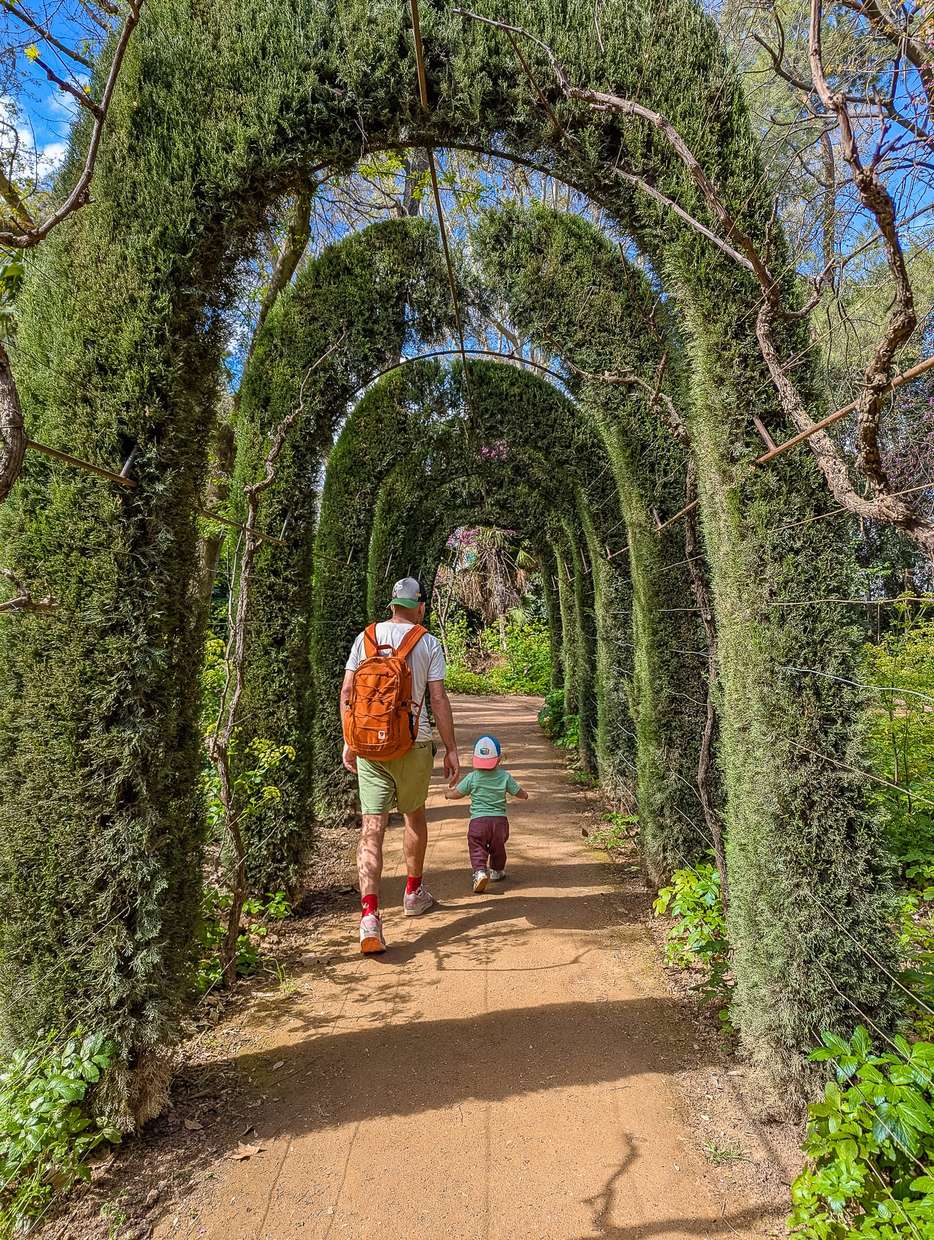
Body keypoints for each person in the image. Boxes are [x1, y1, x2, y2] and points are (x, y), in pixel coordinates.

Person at [341, 577, 460, 953]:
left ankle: (369, 917)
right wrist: (452, 748)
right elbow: (438, 699)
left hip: (369, 746)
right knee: (414, 817)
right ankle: (412, 892)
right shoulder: (428, 642)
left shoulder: (366, 638)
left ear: (392, 604)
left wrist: (350, 739)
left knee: (371, 829)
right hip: (414, 743)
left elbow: (347, 693)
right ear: (420, 606)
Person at [445, 734, 528, 893]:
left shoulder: (472, 777)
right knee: (498, 848)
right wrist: (524, 795)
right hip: (499, 823)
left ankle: (480, 871)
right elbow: (517, 791)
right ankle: (497, 871)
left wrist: (447, 794)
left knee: (477, 847)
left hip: (478, 823)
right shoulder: (505, 776)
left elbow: (458, 793)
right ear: (498, 759)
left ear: (475, 758)